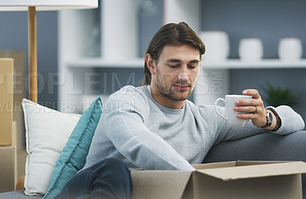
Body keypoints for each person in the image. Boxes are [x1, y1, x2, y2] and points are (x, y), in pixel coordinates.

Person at [55, 22, 305, 199]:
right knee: (113, 169)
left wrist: (266, 119)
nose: (184, 75)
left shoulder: (207, 120)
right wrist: (202, 185)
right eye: (174, 65)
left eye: (192, 65)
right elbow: (138, 143)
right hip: (87, 190)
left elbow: (296, 121)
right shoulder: (125, 102)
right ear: (151, 64)